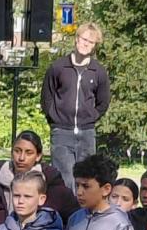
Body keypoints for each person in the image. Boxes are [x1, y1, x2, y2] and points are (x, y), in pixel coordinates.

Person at [41, 22, 111, 190]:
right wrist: (55, 119)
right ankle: (65, 214)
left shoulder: (98, 71)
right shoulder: (58, 67)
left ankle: (84, 215)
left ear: (94, 46)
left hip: (86, 133)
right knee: (64, 179)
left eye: (91, 42)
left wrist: (90, 117)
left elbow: (103, 102)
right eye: (83, 39)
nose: (86, 44)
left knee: (87, 178)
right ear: (76, 39)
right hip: (61, 132)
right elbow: (46, 97)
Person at [0, 130, 78, 227]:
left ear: (38, 156)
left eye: (29, 153)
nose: (21, 158)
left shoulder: (53, 185)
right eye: (17, 151)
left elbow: (75, 219)